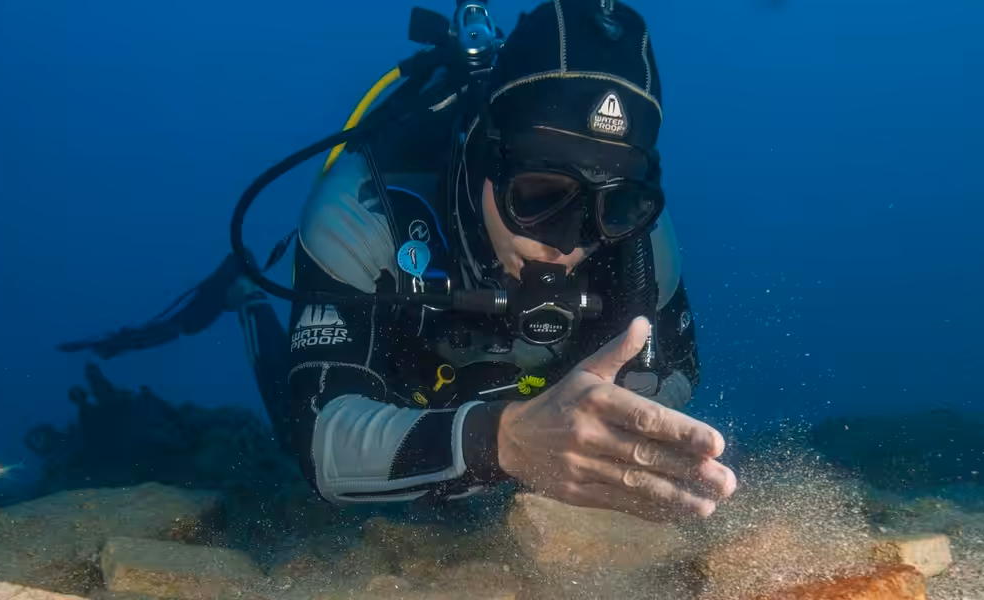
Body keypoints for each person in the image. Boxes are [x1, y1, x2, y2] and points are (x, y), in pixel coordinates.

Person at [63, 0, 737, 522]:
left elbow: (675, 367)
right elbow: (322, 440)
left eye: (612, 208)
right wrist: (503, 442)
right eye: (541, 197)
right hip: (395, 370)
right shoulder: (364, 203)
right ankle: (245, 303)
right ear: (483, 157)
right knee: (283, 409)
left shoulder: (643, 237)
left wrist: (598, 425)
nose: (571, 241)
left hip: (523, 403)